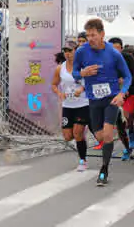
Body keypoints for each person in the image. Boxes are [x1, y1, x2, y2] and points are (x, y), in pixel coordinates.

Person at [72, 19, 132, 186]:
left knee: (107, 134)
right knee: (100, 136)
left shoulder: (113, 53)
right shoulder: (81, 52)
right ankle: (117, 126)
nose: (90, 38)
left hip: (111, 98)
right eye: (88, 35)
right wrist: (82, 73)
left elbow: (127, 76)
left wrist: (121, 94)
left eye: (94, 35)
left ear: (102, 34)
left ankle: (104, 170)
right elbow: (75, 74)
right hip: (93, 100)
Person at [52, 43, 90, 171]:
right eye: (65, 51)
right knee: (68, 136)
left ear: (76, 51)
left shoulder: (83, 67)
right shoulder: (60, 68)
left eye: (70, 50)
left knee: (77, 133)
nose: (67, 53)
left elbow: (92, 82)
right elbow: (54, 85)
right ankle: (81, 139)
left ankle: (82, 161)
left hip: (82, 104)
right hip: (68, 105)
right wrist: (59, 94)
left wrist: (82, 88)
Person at [108, 37, 134, 160]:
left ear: (121, 49)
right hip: (112, 94)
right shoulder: (105, 59)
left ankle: (133, 135)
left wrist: (126, 82)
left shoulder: (128, 58)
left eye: (117, 48)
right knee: (120, 125)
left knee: (127, 116)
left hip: (130, 93)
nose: (115, 52)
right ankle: (127, 148)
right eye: (112, 49)